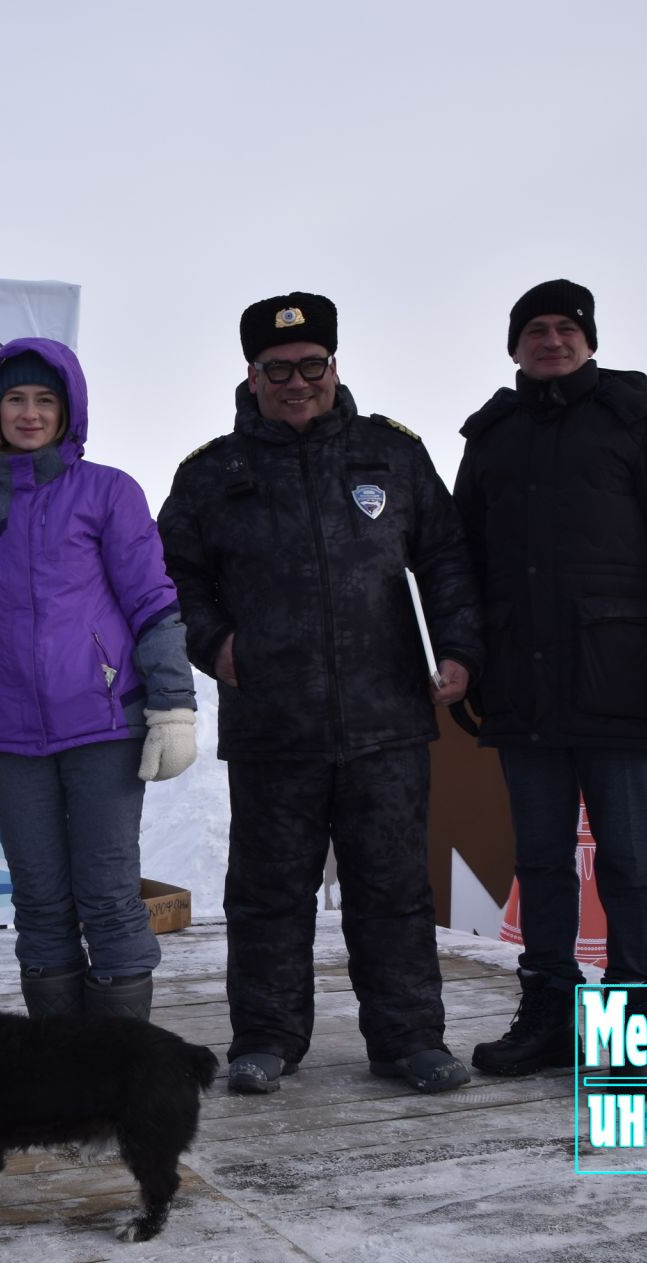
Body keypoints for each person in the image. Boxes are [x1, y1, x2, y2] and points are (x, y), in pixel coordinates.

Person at [157, 292, 481, 1096]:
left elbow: (444, 559)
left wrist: (460, 648)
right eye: (278, 369)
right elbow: (174, 579)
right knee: (268, 892)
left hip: (388, 718)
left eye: (311, 366)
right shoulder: (211, 475)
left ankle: (409, 1040)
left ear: (334, 366)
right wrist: (216, 643)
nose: (296, 382)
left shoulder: (391, 456)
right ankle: (266, 1038)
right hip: (272, 719)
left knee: (393, 888)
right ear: (252, 374)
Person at [454, 279, 647, 1077]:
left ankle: (630, 1032)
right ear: (514, 348)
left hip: (621, 674)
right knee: (540, 857)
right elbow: (458, 560)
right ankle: (549, 1013)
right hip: (520, 681)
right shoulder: (492, 433)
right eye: (534, 329)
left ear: (590, 341)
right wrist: (468, 658)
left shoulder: (640, 420)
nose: (551, 339)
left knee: (631, 859)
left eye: (567, 328)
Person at [0, 338, 198, 1021]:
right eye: (15, 400)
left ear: (68, 410)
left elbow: (153, 602)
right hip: (7, 734)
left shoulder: (108, 491)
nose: (29, 413)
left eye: (45, 400)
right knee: (40, 899)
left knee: (108, 891)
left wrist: (172, 706)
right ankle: (60, 1069)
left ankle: (121, 1070)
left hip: (103, 723)